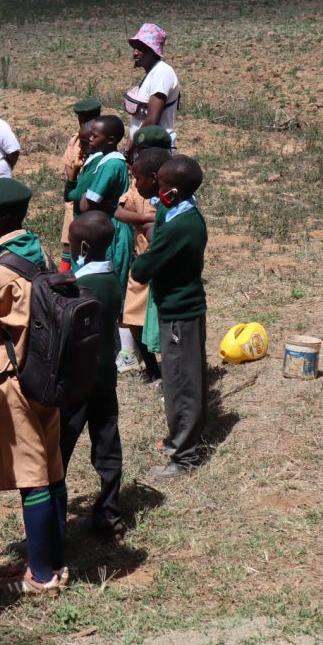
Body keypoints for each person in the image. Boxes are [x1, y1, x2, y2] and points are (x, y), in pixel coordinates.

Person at [0, 178, 67, 596]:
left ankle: (40, 576)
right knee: (51, 468)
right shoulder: (40, 252)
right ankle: (53, 560)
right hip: (48, 374)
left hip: (14, 379)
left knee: (30, 477)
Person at [129, 156, 207, 480]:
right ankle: (182, 438)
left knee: (180, 384)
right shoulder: (178, 212)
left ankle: (184, 457)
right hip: (180, 309)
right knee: (184, 378)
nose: (156, 192)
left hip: (180, 315)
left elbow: (142, 269)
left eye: (161, 186)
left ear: (173, 191)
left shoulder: (181, 227)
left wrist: (142, 258)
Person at [61, 211, 125, 539]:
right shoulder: (112, 279)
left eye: (71, 243)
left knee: (59, 449)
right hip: (105, 378)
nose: (68, 248)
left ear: (83, 247)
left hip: (77, 382)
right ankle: (109, 513)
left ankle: (54, 521)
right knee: (107, 444)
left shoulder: (80, 286)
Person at [114, 128, 172, 380]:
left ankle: (170, 368)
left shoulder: (175, 187)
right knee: (133, 317)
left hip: (164, 265)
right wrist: (144, 219)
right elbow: (119, 211)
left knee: (166, 322)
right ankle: (151, 368)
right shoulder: (139, 183)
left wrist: (149, 221)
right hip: (141, 262)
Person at [66, 116, 134, 292]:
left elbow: (86, 205)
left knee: (106, 285)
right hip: (106, 226)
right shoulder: (105, 161)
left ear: (110, 140)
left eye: (94, 136)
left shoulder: (111, 165)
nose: (90, 139)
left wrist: (85, 196)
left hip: (112, 231)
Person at [59, 99, 102, 272]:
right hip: (74, 197)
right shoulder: (75, 140)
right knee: (68, 242)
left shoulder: (102, 140)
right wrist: (73, 172)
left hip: (92, 200)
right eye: (81, 118)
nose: (82, 122)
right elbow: (68, 167)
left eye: (87, 118)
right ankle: (64, 274)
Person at [126, 23, 180, 145]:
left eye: (141, 48)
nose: (135, 53)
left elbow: (151, 120)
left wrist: (129, 150)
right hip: (142, 148)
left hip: (153, 149)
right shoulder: (152, 73)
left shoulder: (162, 73)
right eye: (134, 48)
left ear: (153, 50)